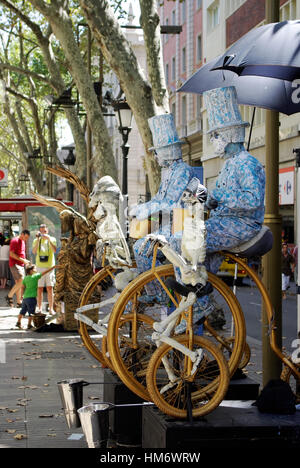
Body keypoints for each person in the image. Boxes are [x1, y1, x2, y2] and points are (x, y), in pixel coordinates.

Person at [129, 113, 201, 302]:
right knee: (137, 244)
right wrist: (142, 209)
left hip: (181, 225)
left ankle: (158, 294)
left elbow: (169, 203)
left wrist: (145, 212)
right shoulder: (168, 173)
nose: (155, 156)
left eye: (157, 151)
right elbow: (159, 200)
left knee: (141, 247)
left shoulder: (182, 171)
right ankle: (155, 290)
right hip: (169, 222)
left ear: (168, 151)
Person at [16, 263, 58, 330]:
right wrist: (53, 267)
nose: (36, 269)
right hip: (32, 298)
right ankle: (29, 324)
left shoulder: (25, 278)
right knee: (31, 313)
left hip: (25, 298)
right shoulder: (35, 277)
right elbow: (45, 272)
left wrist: (21, 296)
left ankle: (18, 322)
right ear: (31, 271)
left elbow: (22, 288)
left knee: (22, 311)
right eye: (34, 268)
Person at [32, 224, 57, 314]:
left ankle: (51, 308)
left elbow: (54, 250)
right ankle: (39, 308)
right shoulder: (36, 240)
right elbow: (34, 251)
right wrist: (38, 239)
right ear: (39, 232)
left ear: (47, 231)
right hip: (39, 266)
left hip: (50, 266)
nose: (43, 233)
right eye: (41, 232)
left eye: (45, 231)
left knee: (50, 288)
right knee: (39, 288)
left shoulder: (52, 239)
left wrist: (49, 240)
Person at [6, 230, 31, 307]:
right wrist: (23, 260)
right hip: (14, 264)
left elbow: (22, 254)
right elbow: (11, 254)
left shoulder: (23, 242)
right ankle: (9, 296)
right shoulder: (15, 241)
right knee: (21, 280)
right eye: (25, 237)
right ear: (22, 234)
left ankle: (19, 302)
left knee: (18, 283)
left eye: (27, 238)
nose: (26, 239)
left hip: (21, 264)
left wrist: (25, 262)